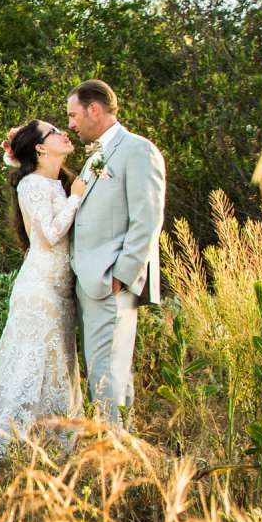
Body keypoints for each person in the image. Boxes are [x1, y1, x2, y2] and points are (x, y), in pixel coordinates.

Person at [0, 117, 91, 457]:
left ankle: (54, 438)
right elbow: (48, 235)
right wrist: (76, 199)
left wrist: (72, 194)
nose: (65, 133)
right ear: (40, 147)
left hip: (61, 291)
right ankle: (14, 438)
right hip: (40, 290)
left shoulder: (58, 184)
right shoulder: (31, 184)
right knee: (29, 367)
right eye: (54, 132)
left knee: (58, 365)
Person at [63, 79, 167, 426]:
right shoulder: (96, 155)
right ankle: (120, 448)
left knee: (108, 371)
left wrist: (122, 274)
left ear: (94, 110)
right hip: (91, 281)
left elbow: (147, 218)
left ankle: (113, 454)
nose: (71, 124)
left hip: (111, 280)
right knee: (105, 370)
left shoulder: (137, 150)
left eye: (74, 115)